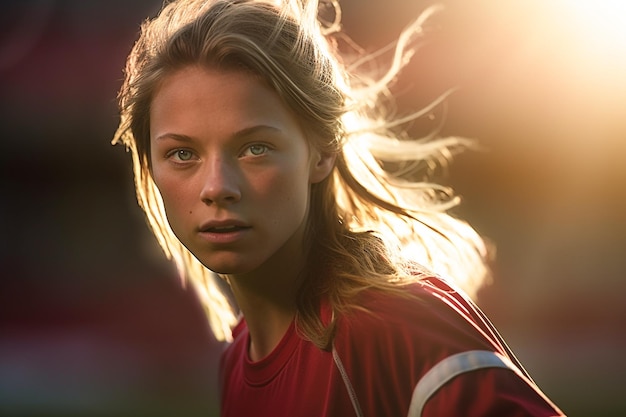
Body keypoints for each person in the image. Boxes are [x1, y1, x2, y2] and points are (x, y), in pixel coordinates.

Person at [113, 0, 565, 415]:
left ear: (322, 151)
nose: (216, 187)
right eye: (183, 154)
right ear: (150, 165)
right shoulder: (236, 359)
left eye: (255, 148)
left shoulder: (397, 327)